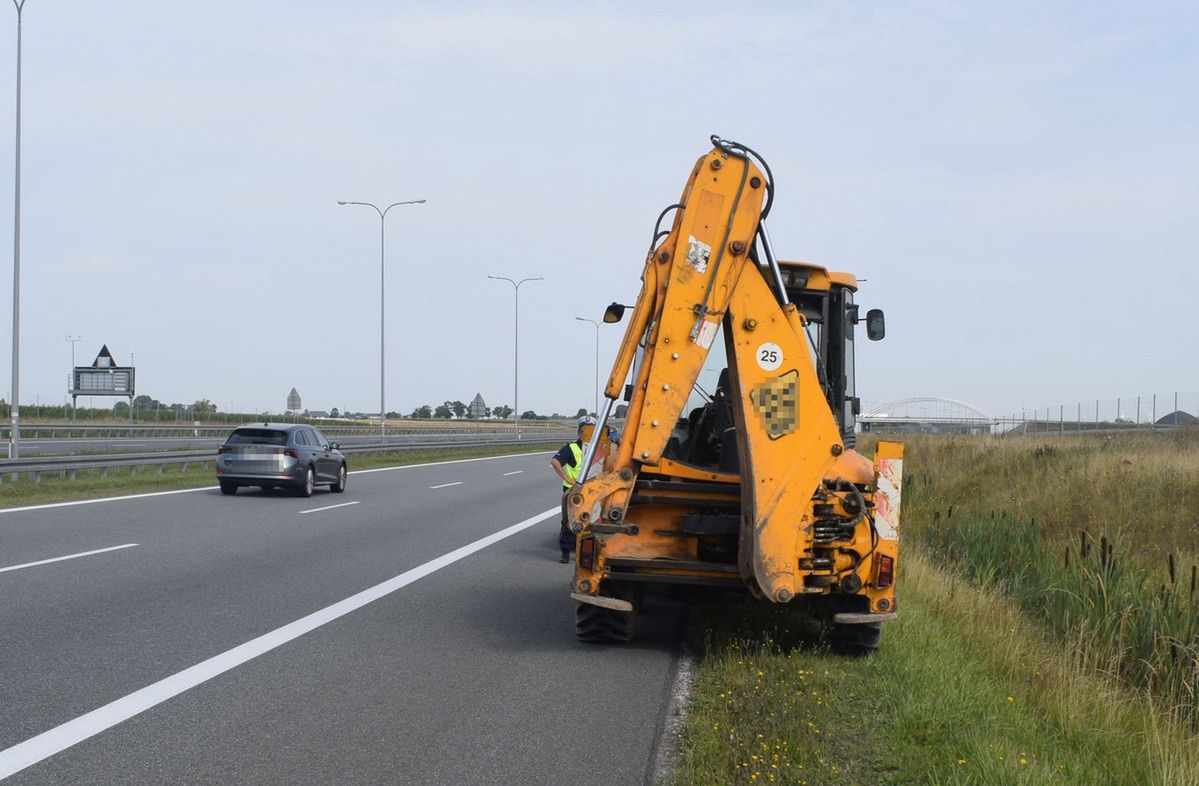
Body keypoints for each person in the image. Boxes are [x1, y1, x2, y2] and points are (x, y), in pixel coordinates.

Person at [550, 416, 606, 563]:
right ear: (579, 432)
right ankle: (565, 553)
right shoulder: (572, 448)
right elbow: (555, 462)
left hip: (594, 491)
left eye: (589, 431)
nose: (585, 433)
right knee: (569, 521)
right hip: (574, 491)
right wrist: (568, 479)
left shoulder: (602, 447)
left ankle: (595, 551)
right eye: (583, 431)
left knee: (595, 521)